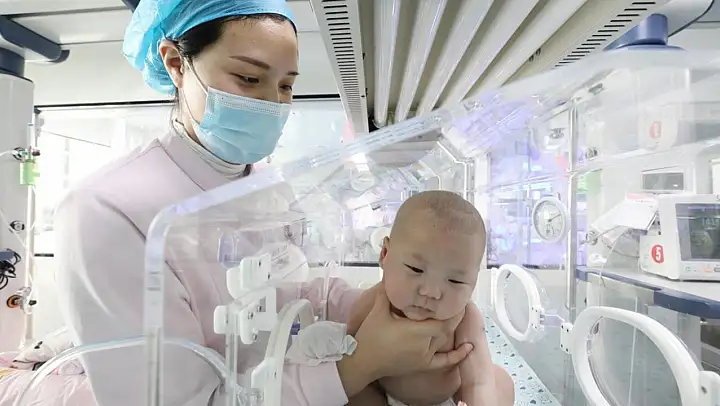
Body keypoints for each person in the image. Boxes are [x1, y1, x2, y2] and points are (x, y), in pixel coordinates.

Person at [53, 1, 473, 405]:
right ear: (176, 63)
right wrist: (360, 366)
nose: (273, 104)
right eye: (249, 78)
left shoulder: (268, 185)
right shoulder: (107, 211)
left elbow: (295, 295)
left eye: (286, 86)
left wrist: (390, 301)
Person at [286, 191, 515, 406]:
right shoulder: (376, 302)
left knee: (501, 382)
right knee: (354, 392)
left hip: (447, 397)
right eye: (416, 269)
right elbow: (350, 346)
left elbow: (478, 380)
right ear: (385, 254)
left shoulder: (466, 319)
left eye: (455, 281)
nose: (431, 292)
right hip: (384, 394)